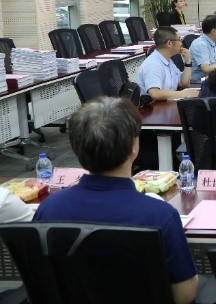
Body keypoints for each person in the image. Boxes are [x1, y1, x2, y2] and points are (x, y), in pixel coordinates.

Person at [34, 98, 198, 304]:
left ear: (76, 148)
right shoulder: (159, 215)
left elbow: (42, 281)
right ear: (134, 146)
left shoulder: (48, 209)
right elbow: (184, 295)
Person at [136, 27, 198, 101]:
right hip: (153, 106)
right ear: (169, 43)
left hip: (166, 103)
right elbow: (155, 94)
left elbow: (184, 83)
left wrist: (188, 62)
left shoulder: (168, 61)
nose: (181, 43)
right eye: (179, 39)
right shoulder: (153, 64)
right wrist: (184, 94)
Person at [188, 15, 216, 83]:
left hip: (210, 79)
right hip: (197, 83)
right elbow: (206, 69)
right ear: (213, 31)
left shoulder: (213, 41)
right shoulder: (201, 44)